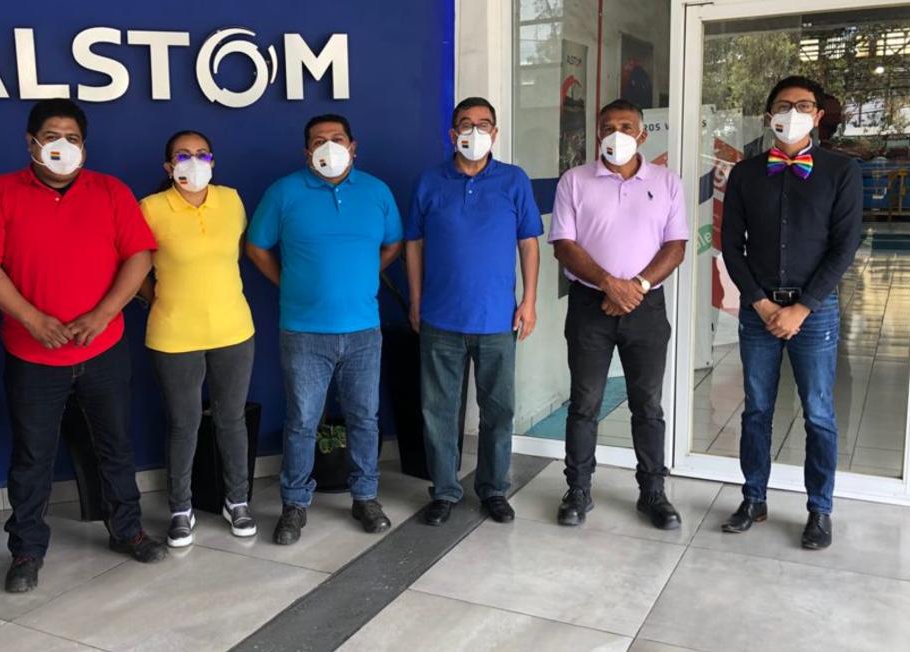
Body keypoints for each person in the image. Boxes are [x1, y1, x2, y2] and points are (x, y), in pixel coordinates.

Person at [0, 99, 167, 593]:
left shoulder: (111, 191)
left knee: (115, 446)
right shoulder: (1, 193)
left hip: (104, 349)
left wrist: (103, 314)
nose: (62, 145)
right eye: (51, 135)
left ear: (84, 145)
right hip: (32, 355)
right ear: (30, 142)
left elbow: (139, 256)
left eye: (72, 137)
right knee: (32, 456)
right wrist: (32, 319)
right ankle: (27, 550)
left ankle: (127, 530)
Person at [246, 114, 403, 545]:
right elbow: (255, 247)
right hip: (303, 332)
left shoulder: (377, 192)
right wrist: (288, 281)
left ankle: (365, 496)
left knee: (364, 420)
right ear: (306, 151)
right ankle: (294, 505)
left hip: (363, 331)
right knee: (301, 421)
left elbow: (393, 244)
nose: (328, 147)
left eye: (337, 139)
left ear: (354, 146)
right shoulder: (284, 192)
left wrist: (369, 274)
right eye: (319, 140)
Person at [720, 76, 863, 550]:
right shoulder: (745, 174)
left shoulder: (840, 172)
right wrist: (761, 303)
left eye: (804, 105)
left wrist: (803, 307)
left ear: (818, 116)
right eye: (784, 105)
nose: (793, 113)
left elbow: (844, 248)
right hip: (758, 310)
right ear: (769, 115)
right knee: (756, 410)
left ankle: (819, 510)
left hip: (813, 313)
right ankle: (753, 498)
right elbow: (731, 247)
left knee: (819, 413)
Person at [549, 99, 689, 530]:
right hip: (591, 305)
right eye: (607, 126)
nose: (616, 134)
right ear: (596, 134)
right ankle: (578, 490)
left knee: (647, 404)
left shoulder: (667, 182)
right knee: (585, 402)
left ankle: (653, 493)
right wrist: (611, 284)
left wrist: (636, 287)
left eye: (626, 126)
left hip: (646, 307)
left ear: (642, 134)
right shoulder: (574, 181)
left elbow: (676, 245)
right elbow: (563, 244)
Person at [405, 97, 542, 526]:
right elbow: (414, 243)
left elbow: (528, 242)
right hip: (440, 319)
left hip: (497, 320)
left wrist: (530, 300)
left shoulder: (514, 181)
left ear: (495, 134)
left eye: (484, 124)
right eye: (466, 124)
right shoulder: (430, 182)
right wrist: (414, 299)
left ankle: (493, 489)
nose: (475, 132)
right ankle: (444, 490)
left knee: (498, 411)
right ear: (452, 134)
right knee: (438, 411)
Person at [138, 130, 257, 547]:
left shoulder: (232, 200)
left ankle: (237, 501)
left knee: (231, 419)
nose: (193, 161)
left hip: (233, 329)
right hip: (174, 334)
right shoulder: (150, 209)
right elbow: (135, 271)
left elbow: (234, 254)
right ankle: (180, 508)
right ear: (168, 167)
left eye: (201, 153)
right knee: (183, 423)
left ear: (213, 161)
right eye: (182, 155)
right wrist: (164, 301)